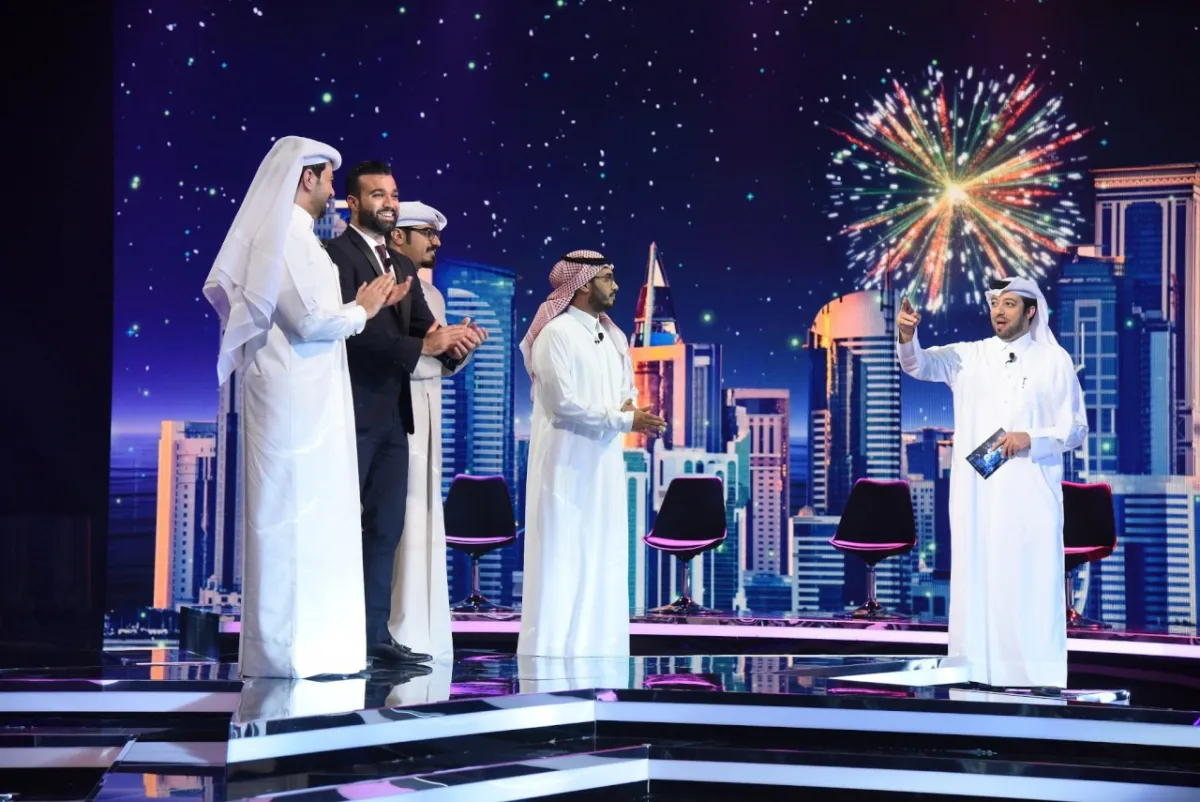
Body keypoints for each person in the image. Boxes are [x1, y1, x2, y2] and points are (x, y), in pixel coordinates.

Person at [202, 136, 407, 679]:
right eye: (328, 179)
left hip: (311, 402)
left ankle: (317, 651)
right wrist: (363, 309)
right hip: (291, 406)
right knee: (290, 524)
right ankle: (288, 658)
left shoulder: (300, 239)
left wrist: (361, 308)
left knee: (315, 525)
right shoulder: (284, 238)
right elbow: (310, 320)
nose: (332, 190)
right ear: (306, 178)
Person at [896, 277, 1087, 691]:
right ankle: (975, 673)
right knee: (980, 583)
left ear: (1031, 311)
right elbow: (919, 365)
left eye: (1009, 304)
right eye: (995, 303)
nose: (999, 311)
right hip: (977, 497)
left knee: (1031, 584)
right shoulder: (970, 356)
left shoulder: (1054, 361)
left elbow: (1075, 429)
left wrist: (1030, 439)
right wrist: (907, 336)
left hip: (1031, 493)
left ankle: (1036, 678)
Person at [325, 162, 480, 668]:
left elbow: (425, 330)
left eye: (393, 194)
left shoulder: (402, 266)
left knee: (385, 530)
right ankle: (336, 632)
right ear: (353, 202)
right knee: (340, 529)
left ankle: (375, 636)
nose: (389, 203)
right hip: (350, 413)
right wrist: (424, 345)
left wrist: (456, 345)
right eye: (378, 195)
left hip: (395, 417)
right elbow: (350, 334)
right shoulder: (334, 256)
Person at [517, 251, 667, 658]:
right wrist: (624, 420)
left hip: (604, 467)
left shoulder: (613, 337)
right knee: (563, 557)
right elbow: (562, 404)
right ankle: (550, 657)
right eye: (607, 277)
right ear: (582, 283)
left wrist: (630, 408)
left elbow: (625, 391)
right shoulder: (556, 334)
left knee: (604, 555)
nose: (615, 286)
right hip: (564, 468)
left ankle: (600, 653)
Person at [385, 201, 486, 660]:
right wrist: (434, 349)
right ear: (398, 235)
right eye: (427, 232)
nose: (437, 241)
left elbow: (438, 365)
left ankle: (420, 633)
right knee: (397, 528)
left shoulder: (434, 296)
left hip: (427, 424)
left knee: (422, 526)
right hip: (392, 418)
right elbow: (389, 354)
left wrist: (460, 348)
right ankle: (392, 632)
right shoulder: (383, 288)